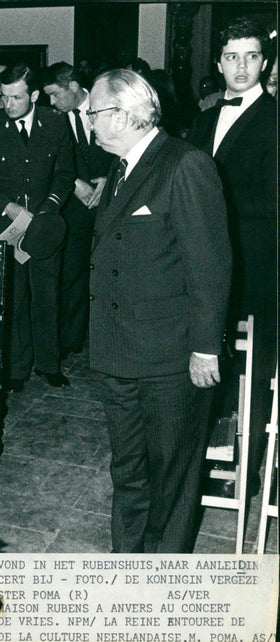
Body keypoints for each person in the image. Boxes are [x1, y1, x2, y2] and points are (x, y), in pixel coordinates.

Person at [88, 69, 231, 553]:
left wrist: (206, 350)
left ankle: (161, 583)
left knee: (171, 481)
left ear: (122, 115)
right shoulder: (121, 166)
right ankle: (127, 568)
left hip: (170, 359)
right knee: (128, 472)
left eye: (94, 113)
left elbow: (210, 265)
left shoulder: (184, 164)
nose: (89, 124)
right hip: (119, 354)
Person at [190, 17, 277, 496]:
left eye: (250, 56)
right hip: (204, 270)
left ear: (265, 62)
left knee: (252, 376)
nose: (240, 67)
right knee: (206, 367)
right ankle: (204, 459)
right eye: (231, 57)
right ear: (218, 62)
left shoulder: (275, 118)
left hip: (257, 271)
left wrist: (215, 201)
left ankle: (251, 469)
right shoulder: (204, 118)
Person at [0, 64, 75, 392]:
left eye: (16, 97)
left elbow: (65, 174)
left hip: (43, 227)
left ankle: (48, 364)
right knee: (11, 300)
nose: (8, 104)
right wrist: (7, 206)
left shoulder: (55, 123)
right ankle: (15, 369)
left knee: (46, 296)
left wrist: (49, 209)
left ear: (35, 95)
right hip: (4, 227)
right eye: (3, 96)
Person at [42, 62, 115, 357]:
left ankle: (108, 341)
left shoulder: (109, 105)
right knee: (72, 274)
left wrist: (109, 181)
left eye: (55, 94)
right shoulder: (52, 118)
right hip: (74, 208)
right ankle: (71, 342)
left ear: (73, 87)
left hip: (111, 203)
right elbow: (48, 158)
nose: (51, 102)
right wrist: (74, 184)